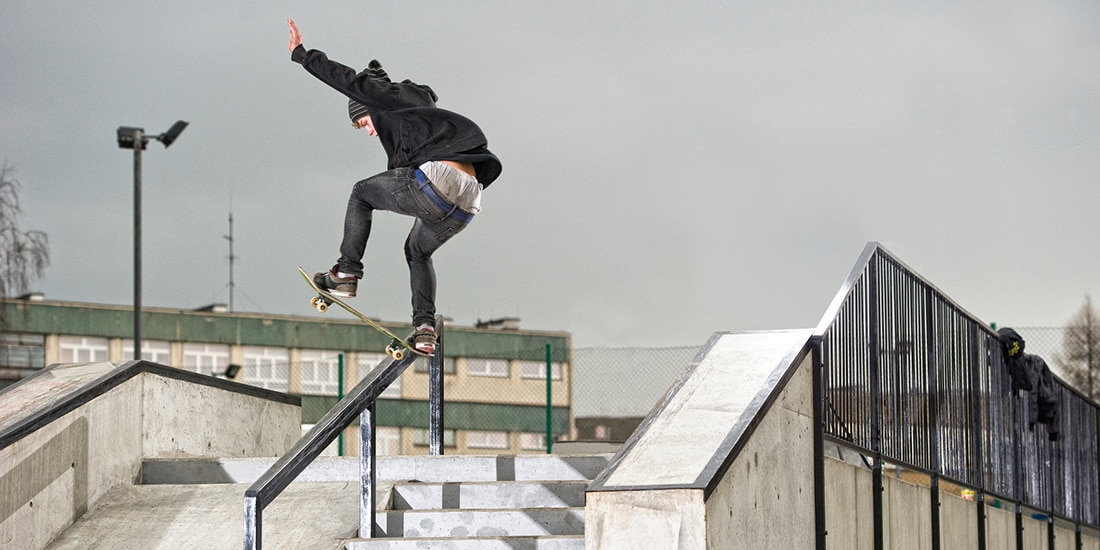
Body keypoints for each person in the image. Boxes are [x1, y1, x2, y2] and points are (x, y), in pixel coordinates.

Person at [287, 19, 502, 354]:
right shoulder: (417, 111)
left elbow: (347, 81)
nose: (370, 131)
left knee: (360, 193)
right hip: (469, 198)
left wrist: (302, 55)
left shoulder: (383, 99)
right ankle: (425, 329)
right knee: (418, 251)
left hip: (437, 180)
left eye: (364, 123)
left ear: (369, 107)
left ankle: (346, 272)